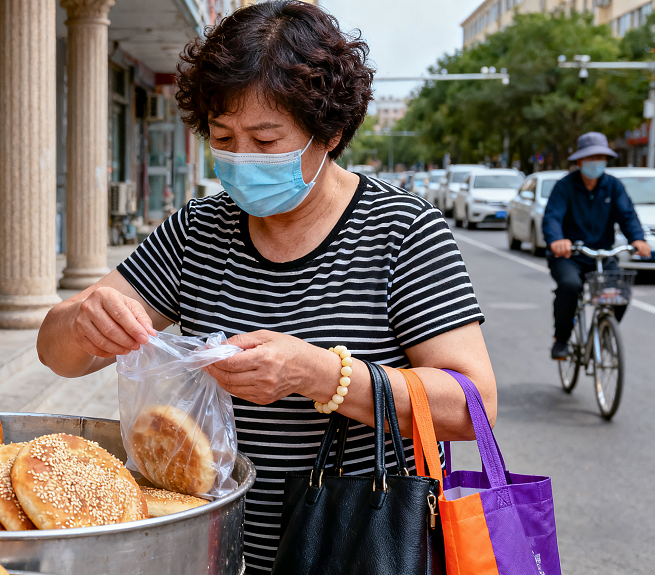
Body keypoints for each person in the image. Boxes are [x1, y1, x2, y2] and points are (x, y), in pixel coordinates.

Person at [37, 2, 496, 572]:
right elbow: (58, 354)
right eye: (224, 137)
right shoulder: (199, 230)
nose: (240, 159)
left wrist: (318, 374)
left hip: (356, 545)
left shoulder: (403, 231)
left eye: (265, 139)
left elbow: (472, 404)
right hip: (216, 550)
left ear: (327, 132)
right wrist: (83, 323)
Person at [542, 132, 651, 360]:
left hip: (602, 254)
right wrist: (557, 240)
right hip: (569, 256)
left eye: (601, 157)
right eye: (592, 157)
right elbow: (552, 217)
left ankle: (604, 331)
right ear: (580, 161)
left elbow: (627, 215)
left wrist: (638, 239)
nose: (597, 162)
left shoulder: (613, 186)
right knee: (570, 287)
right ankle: (561, 339)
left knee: (621, 289)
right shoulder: (565, 186)